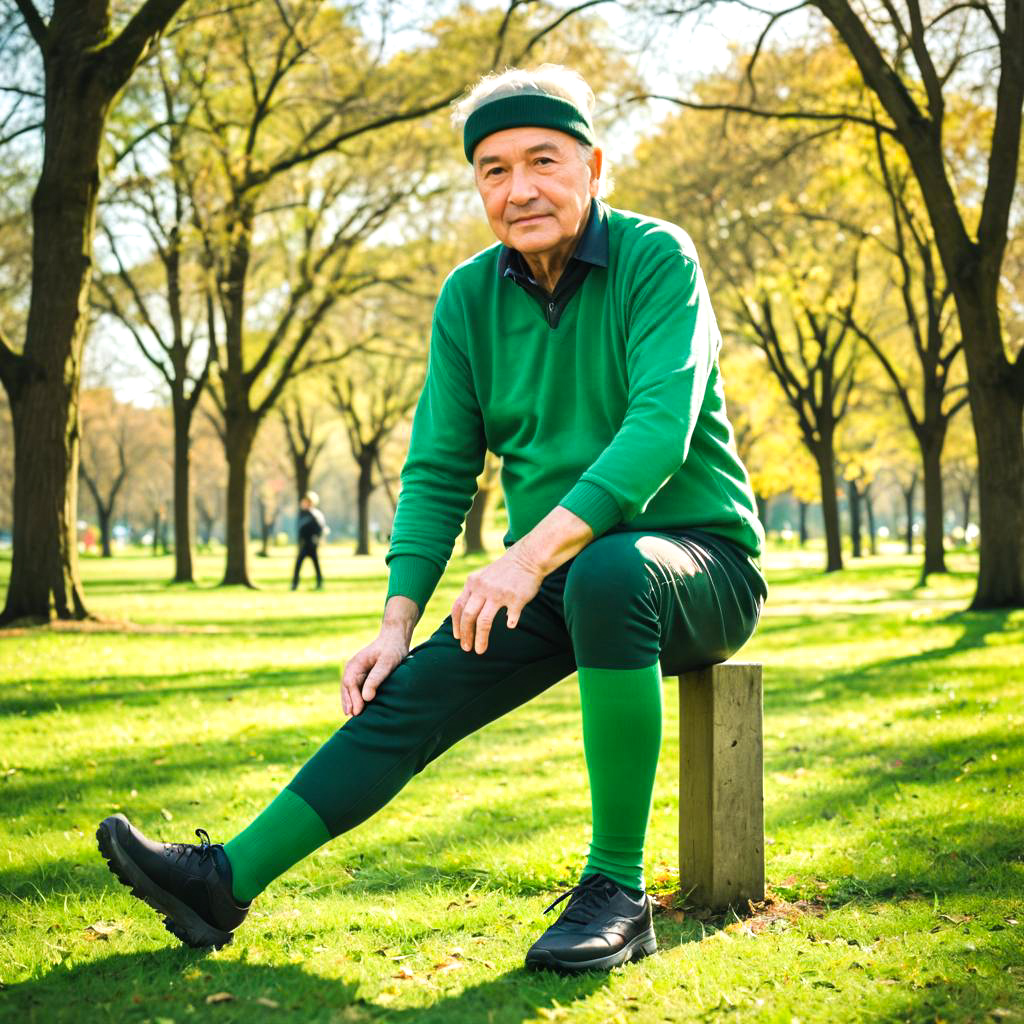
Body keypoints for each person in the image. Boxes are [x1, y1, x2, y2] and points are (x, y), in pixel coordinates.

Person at [96, 65, 767, 974]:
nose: (520, 188)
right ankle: (222, 882)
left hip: (699, 566)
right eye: (494, 170)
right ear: (478, 186)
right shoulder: (467, 297)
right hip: (562, 573)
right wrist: (395, 621)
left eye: (543, 160)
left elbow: (658, 430)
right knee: (411, 681)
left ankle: (616, 890)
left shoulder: (658, 259)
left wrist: (525, 562)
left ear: (594, 166)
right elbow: (440, 469)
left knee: (613, 571)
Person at [291, 491, 327, 590]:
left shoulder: (315, 514)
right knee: (298, 565)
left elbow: (320, 529)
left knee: (316, 565)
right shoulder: (302, 514)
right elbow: (300, 529)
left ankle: (319, 583)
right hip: (304, 544)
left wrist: (317, 540)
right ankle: (294, 584)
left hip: (312, 544)